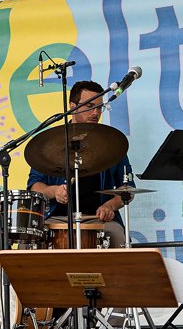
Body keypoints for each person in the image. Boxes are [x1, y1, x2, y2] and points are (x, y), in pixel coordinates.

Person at [28, 80, 134, 248]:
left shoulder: (112, 143)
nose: (95, 113)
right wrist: (54, 191)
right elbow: (35, 186)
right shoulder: (50, 142)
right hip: (55, 218)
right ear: (73, 106)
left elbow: (128, 190)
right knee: (28, 243)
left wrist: (109, 206)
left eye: (99, 107)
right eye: (90, 106)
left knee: (118, 236)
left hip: (99, 219)